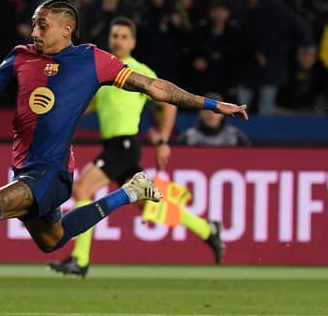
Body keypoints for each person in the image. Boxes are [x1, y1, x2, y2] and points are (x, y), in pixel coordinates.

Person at [0, 0, 248, 293]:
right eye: (33, 24)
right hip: (26, 167)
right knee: (52, 240)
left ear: (66, 29)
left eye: (42, 24)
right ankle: (129, 193)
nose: (34, 31)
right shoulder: (20, 57)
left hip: (53, 170)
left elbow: (157, 89)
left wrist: (213, 104)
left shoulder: (93, 60)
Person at [48, 18, 226, 279]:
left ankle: (80, 260)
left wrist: (164, 140)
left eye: (123, 36)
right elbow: (90, 107)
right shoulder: (103, 73)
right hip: (117, 147)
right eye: (115, 35)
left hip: (125, 145)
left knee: (83, 188)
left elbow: (169, 103)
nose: (118, 40)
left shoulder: (140, 72)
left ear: (132, 42)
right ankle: (207, 229)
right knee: (147, 205)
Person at [175, 92, 252, 146]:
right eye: (207, 110)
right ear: (200, 113)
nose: (210, 114)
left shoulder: (235, 137)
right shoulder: (187, 137)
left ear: (223, 114)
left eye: (215, 111)